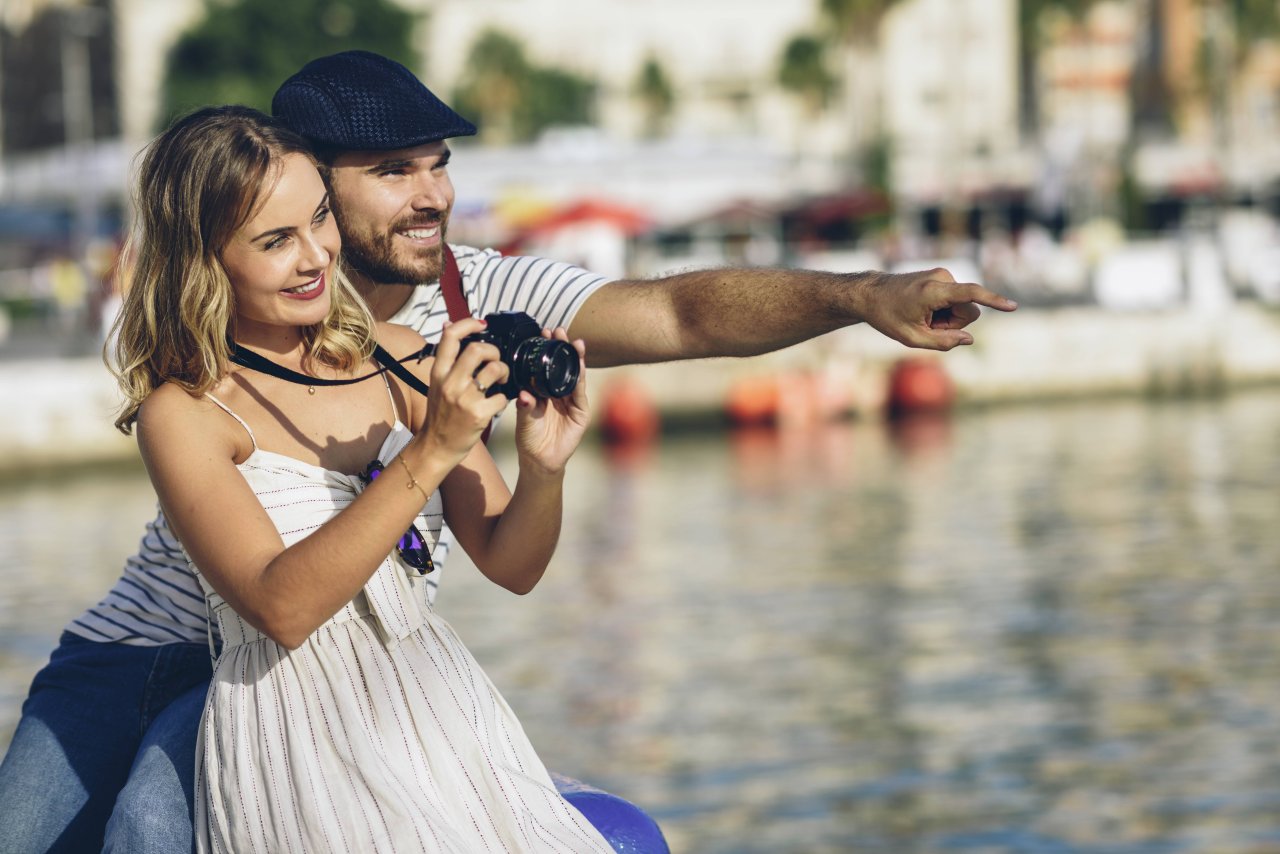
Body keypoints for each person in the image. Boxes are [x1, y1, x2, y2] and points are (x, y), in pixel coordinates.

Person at [0, 51, 1015, 854]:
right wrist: (432, 447)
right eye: (391, 170)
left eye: (438, 161)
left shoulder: (461, 309)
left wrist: (857, 297)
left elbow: (678, 310)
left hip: (337, 672)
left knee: (153, 822)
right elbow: (272, 592)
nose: (430, 193)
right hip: (160, 651)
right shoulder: (212, 362)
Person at [136, 104, 616, 851]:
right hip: (299, 739)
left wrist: (545, 467)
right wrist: (432, 451)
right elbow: (280, 607)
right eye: (275, 240)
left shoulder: (399, 356)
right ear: (205, 260)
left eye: (320, 219)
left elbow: (513, 565)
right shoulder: (185, 412)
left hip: (443, 715)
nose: (316, 256)